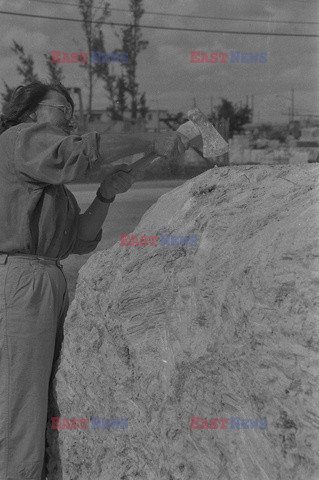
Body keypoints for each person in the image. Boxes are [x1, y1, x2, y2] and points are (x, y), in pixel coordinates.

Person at [0, 80, 186, 479]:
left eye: (73, 113)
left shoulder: (48, 182)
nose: (70, 120)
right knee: (19, 403)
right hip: (20, 278)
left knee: (36, 399)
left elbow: (79, 240)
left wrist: (105, 195)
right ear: (31, 112)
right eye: (61, 110)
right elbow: (80, 151)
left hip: (44, 275)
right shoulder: (22, 139)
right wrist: (152, 138)